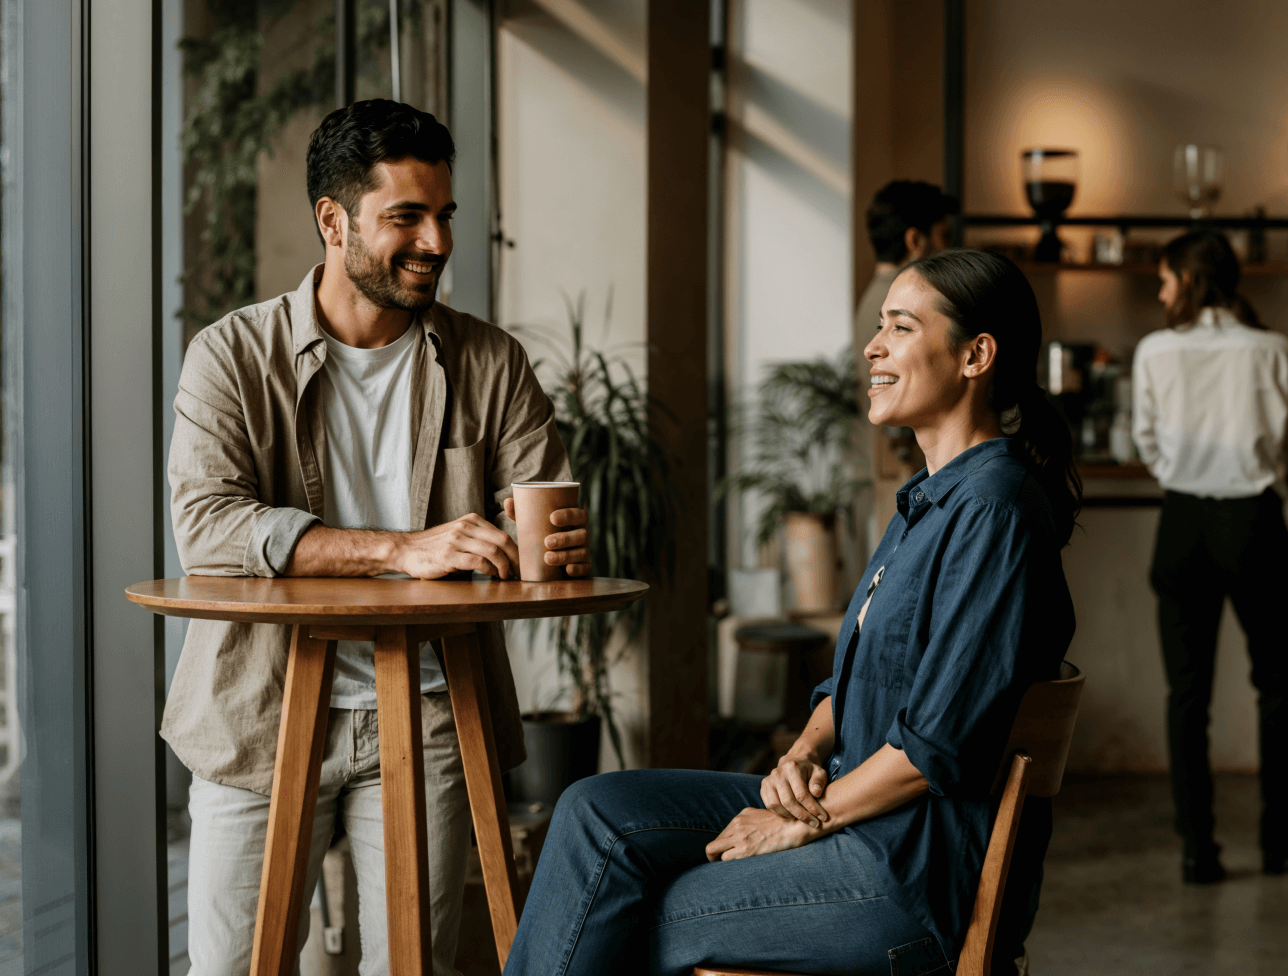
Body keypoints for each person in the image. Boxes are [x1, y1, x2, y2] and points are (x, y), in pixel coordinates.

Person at [503, 250, 1080, 976]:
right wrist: (802, 754)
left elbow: (933, 748)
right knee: (594, 809)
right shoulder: (926, 502)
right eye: (879, 327)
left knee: (633, 906)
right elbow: (858, 680)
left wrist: (798, 821)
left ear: (976, 355)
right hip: (855, 815)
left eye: (899, 328)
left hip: (904, 872)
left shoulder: (994, 511)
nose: (871, 347)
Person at [165, 99, 591, 975]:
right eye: (406, 217)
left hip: (430, 708)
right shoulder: (232, 356)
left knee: (412, 968)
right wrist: (404, 549)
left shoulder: (490, 361)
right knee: (234, 970)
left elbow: (539, 511)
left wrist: (549, 552)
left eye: (444, 215)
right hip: (260, 710)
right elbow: (207, 528)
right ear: (333, 219)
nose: (435, 241)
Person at [1133, 229, 1288, 884]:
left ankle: (1199, 850)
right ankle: (1278, 845)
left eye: (1167, 278)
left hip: (1185, 520)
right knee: (1279, 689)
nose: (1161, 290)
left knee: (1187, 696)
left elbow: (1144, 438)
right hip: (1255, 521)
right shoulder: (1275, 349)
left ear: (1190, 280)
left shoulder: (1154, 351)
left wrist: (1183, 470)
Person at [851, 180, 958, 369]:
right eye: (945, 236)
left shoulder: (872, 300)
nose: (950, 248)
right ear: (915, 241)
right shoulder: (916, 306)